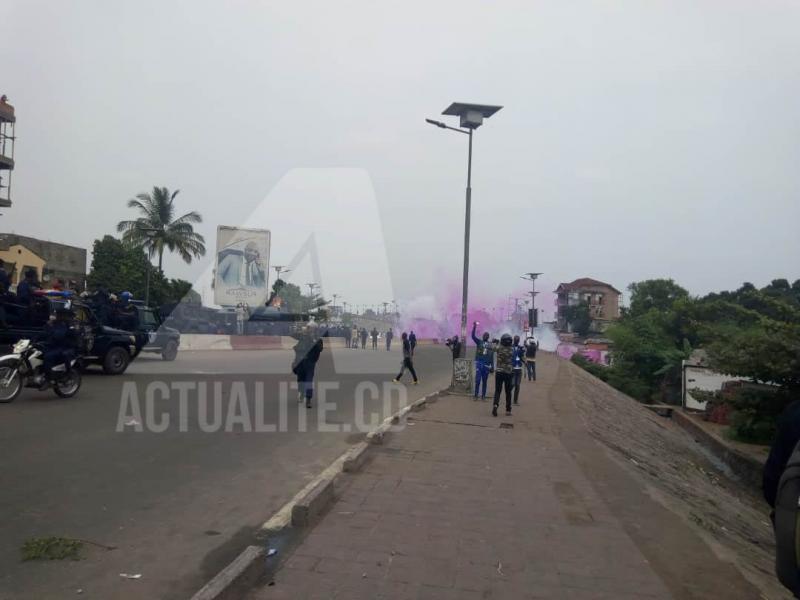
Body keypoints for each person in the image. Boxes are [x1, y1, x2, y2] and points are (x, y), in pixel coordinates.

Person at [39, 307, 80, 389]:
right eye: (57, 314)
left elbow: (61, 335)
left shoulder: (70, 325)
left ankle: (50, 379)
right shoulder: (55, 323)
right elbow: (45, 333)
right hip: (56, 346)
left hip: (67, 348)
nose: (57, 316)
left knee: (49, 356)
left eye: (59, 315)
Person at [291, 327, 323, 409]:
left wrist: (314, 341)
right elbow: (292, 335)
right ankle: (301, 393)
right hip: (300, 362)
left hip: (310, 363)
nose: (310, 332)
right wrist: (301, 332)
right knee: (300, 379)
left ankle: (308, 399)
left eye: (312, 330)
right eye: (309, 330)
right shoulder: (302, 337)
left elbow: (320, 349)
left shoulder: (318, 339)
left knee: (308, 380)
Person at [492, 333, 515, 417]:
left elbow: (492, 347)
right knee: (508, 392)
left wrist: (495, 342)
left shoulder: (499, 348)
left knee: (498, 391)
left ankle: (495, 405)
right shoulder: (511, 349)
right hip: (508, 373)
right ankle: (508, 410)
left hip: (499, 372)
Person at [471, 321, 494, 400]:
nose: (485, 336)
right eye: (484, 335)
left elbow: (492, 357)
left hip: (486, 366)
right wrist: (474, 327)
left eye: (486, 335)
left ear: (488, 337)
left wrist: (492, 367)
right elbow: (473, 336)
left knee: (484, 381)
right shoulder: (479, 342)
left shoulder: (490, 345)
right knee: (477, 380)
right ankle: (476, 395)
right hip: (479, 364)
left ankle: (483, 396)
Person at [511, 335, 525, 405]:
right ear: (514, 340)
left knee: (517, 385)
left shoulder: (520, 348)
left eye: (518, 340)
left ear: (519, 341)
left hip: (519, 369)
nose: (517, 341)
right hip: (512, 368)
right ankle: (508, 396)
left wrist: (525, 361)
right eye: (516, 339)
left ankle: (515, 401)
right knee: (512, 384)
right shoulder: (510, 347)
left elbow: (522, 357)